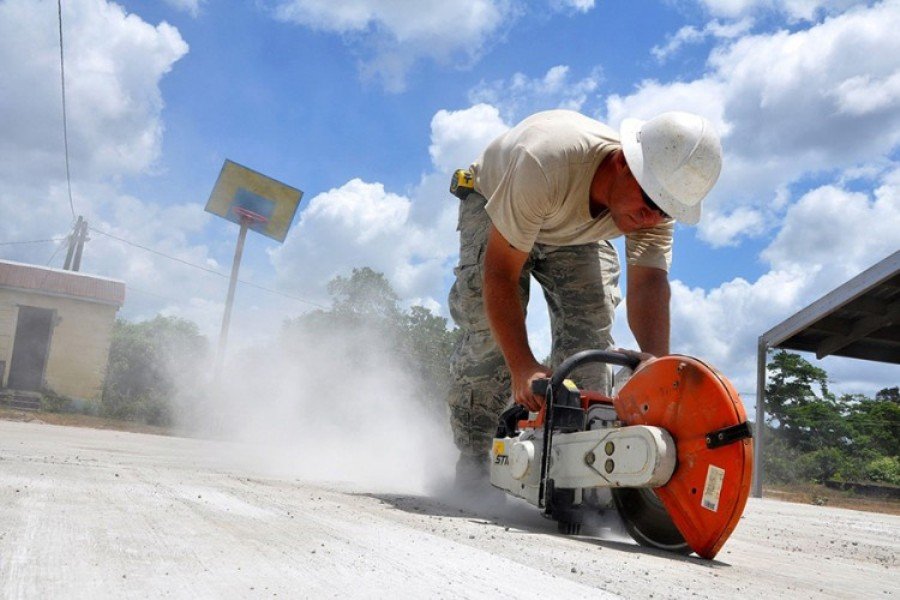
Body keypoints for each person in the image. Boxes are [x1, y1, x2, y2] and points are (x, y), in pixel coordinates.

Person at [446, 109, 722, 485]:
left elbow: (648, 284)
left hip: (573, 227)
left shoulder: (655, 202)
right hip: (499, 200)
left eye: (664, 211)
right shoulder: (545, 162)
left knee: (590, 338)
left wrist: (656, 366)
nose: (651, 219)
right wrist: (523, 366)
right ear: (624, 162)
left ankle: (575, 469)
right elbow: (500, 273)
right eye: (648, 204)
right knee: (491, 341)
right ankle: (476, 461)